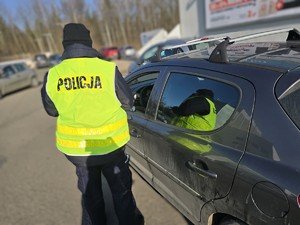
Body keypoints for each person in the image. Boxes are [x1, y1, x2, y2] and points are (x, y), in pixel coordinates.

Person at [40, 23, 143, 225]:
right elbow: (128, 101)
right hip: (111, 148)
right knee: (121, 193)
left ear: (65, 44)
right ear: (89, 43)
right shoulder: (106, 69)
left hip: (78, 152)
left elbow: (51, 110)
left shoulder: (53, 75)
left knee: (91, 195)